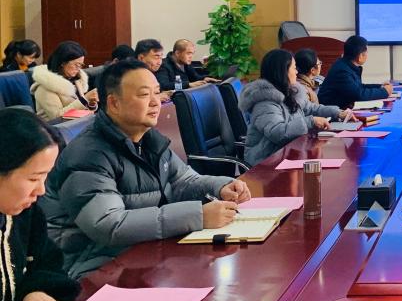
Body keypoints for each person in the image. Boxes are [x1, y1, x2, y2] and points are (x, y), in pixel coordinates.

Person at [39, 60, 250, 278]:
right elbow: (109, 225)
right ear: (114, 103)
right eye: (144, 95)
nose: (155, 102)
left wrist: (221, 186)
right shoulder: (88, 155)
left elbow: (182, 181)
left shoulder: (147, 138)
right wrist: (198, 216)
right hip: (91, 269)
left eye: (157, 92)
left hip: (141, 255)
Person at [0, 108, 80, 301]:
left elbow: (45, 264)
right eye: (33, 178)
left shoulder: (23, 214)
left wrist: (34, 291)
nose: (41, 190)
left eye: (45, 177)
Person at [239, 49, 345, 166]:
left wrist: (338, 112)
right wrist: (310, 121)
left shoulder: (289, 92)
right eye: (294, 68)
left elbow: (310, 108)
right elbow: (277, 133)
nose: (296, 72)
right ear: (283, 71)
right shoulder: (265, 102)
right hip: (267, 162)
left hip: (289, 154)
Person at [30, 41, 98, 122]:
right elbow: (57, 118)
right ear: (63, 63)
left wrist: (90, 104)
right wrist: (85, 99)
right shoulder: (45, 87)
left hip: (77, 124)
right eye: (76, 64)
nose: (79, 68)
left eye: (81, 65)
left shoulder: (75, 80)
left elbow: (80, 107)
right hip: (54, 128)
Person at [318, 35, 394, 108]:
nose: (367, 55)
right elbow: (358, 95)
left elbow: (358, 87)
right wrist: (384, 92)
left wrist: (380, 87)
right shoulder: (342, 71)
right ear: (360, 56)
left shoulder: (346, 65)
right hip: (331, 112)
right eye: (366, 52)